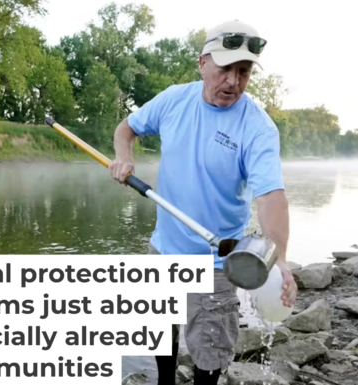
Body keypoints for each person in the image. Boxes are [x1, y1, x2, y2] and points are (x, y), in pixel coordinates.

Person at [108, 20, 298, 385]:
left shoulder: (257, 127)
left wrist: (280, 259)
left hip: (216, 260)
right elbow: (126, 128)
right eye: (226, 68)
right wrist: (124, 157)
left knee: (210, 349)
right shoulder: (174, 99)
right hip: (164, 248)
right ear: (203, 63)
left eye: (243, 72)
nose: (233, 82)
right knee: (159, 330)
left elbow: (271, 196)